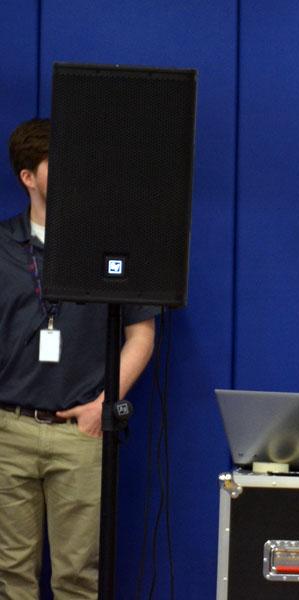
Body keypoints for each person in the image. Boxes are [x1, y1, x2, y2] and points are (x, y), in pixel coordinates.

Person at [0, 118, 157, 599]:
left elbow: (142, 334)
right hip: (10, 430)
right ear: (28, 177)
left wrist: (102, 407)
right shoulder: (4, 244)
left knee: (77, 579)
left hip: (81, 432)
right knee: (12, 577)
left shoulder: (109, 245)